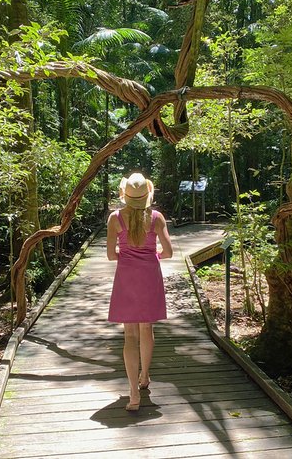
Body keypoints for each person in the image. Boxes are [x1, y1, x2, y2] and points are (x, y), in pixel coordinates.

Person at [106, 172, 173, 411]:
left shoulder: (115, 218)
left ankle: (134, 392)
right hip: (149, 276)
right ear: (147, 195)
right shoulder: (156, 218)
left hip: (126, 276)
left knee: (130, 336)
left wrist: (127, 255)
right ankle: (145, 376)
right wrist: (151, 255)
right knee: (147, 328)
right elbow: (168, 252)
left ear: (125, 196)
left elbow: (111, 255)